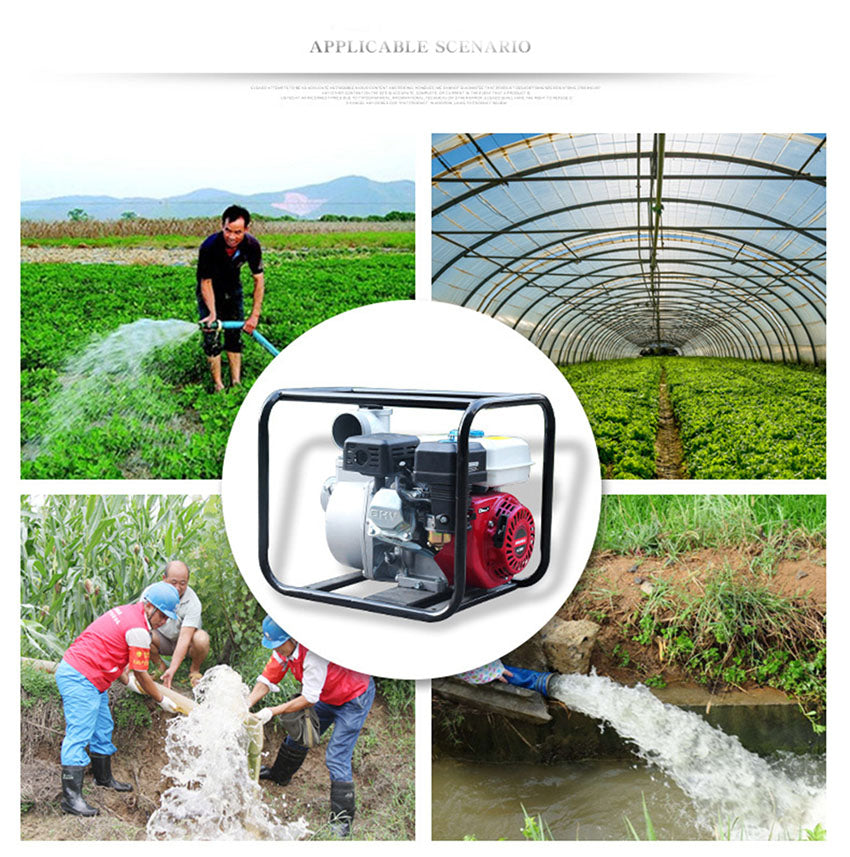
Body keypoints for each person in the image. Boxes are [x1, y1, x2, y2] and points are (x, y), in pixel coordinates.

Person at [54, 582, 181, 816]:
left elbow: (113, 649)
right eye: (162, 615)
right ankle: (71, 799)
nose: (163, 622)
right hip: (80, 676)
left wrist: (127, 681)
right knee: (79, 733)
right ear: (149, 606)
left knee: (103, 728)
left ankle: (103, 778)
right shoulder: (138, 630)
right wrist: (160, 698)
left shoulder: (127, 612)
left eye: (167, 618)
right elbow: (142, 673)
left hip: (93, 677)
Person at [247, 617, 375, 837]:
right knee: (299, 734)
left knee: (336, 756)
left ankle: (342, 822)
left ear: (292, 638)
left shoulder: (313, 653)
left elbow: (308, 698)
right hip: (328, 694)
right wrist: (246, 704)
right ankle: (280, 775)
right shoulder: (284, 650)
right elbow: (267, 679)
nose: (277, 650)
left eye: (279, 645)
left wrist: (272, 711)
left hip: (354, 698)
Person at [197, 204, 265, 391]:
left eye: (238, 232)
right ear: (222, 226)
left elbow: (258, 280)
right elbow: (206, 282)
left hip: (233, 290)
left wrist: (254, 315)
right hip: (210, 291)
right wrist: (212, 313)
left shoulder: (251, 246)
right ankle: (218, 384)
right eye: (228, 230)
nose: (232, 236)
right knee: (211, 337)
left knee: (234, 336)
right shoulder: (209, 247)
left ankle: (236, 383)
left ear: (246, 230)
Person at [140, 560, 210, 689]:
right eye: (173, 583)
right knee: (142, 633)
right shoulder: (150, 593)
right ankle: (160, 666)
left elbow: (184, 638)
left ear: (188, 581)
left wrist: (173, 669)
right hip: (161, 639)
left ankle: (194, 670)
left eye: (183, 583)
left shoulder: (193, 602)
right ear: (164, 578)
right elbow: (140, 623)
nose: (178, 588)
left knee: (202, 638)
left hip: (187, 643)